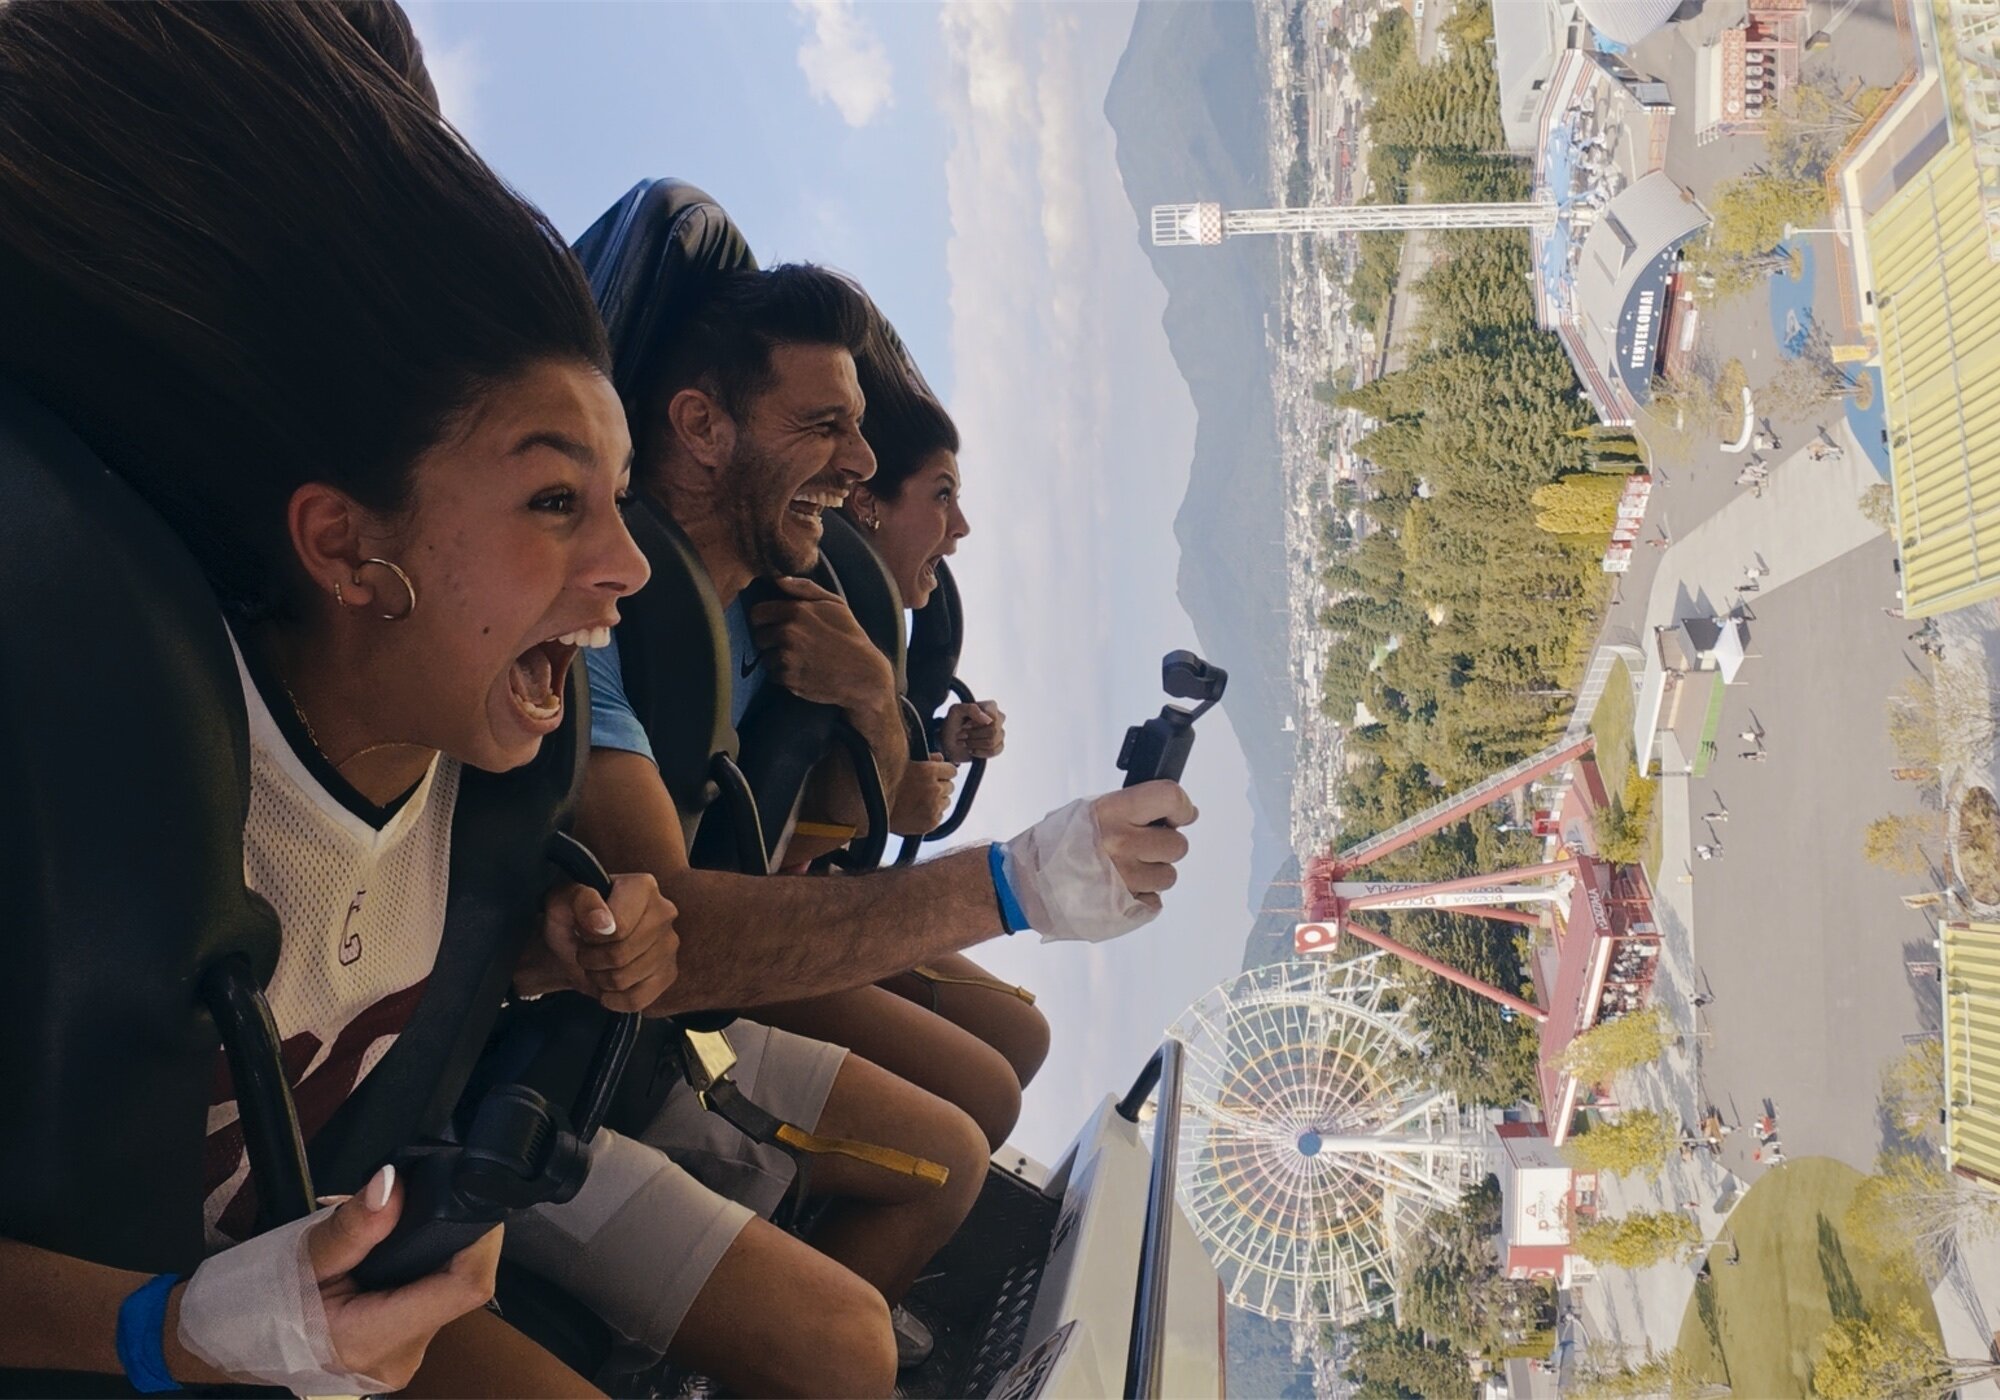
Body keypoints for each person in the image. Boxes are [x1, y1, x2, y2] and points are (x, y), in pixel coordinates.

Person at [0, 4, 668, 1392]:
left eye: (612, 503)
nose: (627, 569)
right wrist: (162, 1335)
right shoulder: (78, 786)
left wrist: (546, 949)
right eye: (556, 501)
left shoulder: (478, 812)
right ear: (345, 546)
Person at [542, 241, 1197, 1393]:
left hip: (654, 1010)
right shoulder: (604, 630)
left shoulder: (786, 615)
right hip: (603, 1033)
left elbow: (855, 816)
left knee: (975, 1115)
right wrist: (1016, 882)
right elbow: (693, 927)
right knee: (925, 1200)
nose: (856, 465)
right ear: (697, 426)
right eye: (825, 430)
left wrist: (865, 700)